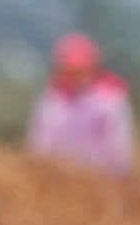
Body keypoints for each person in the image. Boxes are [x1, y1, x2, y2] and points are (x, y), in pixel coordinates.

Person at [26, 33, 134, 176]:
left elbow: (119, 148)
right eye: (70, 71)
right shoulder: (52, 101)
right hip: (57, 177)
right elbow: (39, 144)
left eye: (79, 71)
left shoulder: (110, 100)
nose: (74, 77)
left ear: (92, 69)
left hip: (100, 179)